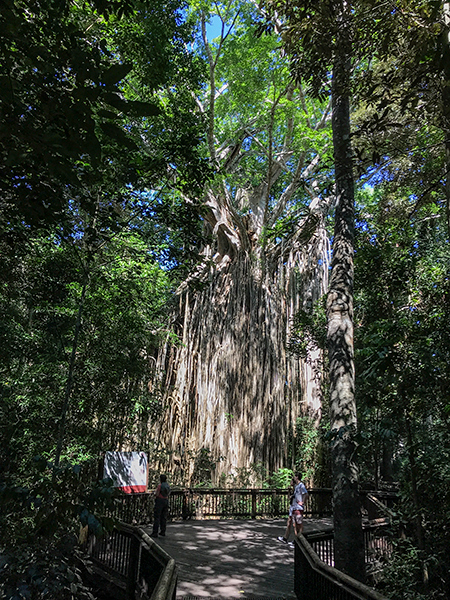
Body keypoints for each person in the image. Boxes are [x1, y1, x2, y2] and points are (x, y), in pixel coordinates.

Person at [277, 472, 308, 545]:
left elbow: (306, 494)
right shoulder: (296, 487)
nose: (293, 478)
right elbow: (291, 498)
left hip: (298, 507)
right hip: (294, 507)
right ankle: (288, 538)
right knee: (293, 523)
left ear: (297, 477)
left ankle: (299, 541)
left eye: (294, 476)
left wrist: (302, 502)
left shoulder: (301, 486)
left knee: (298, 525)